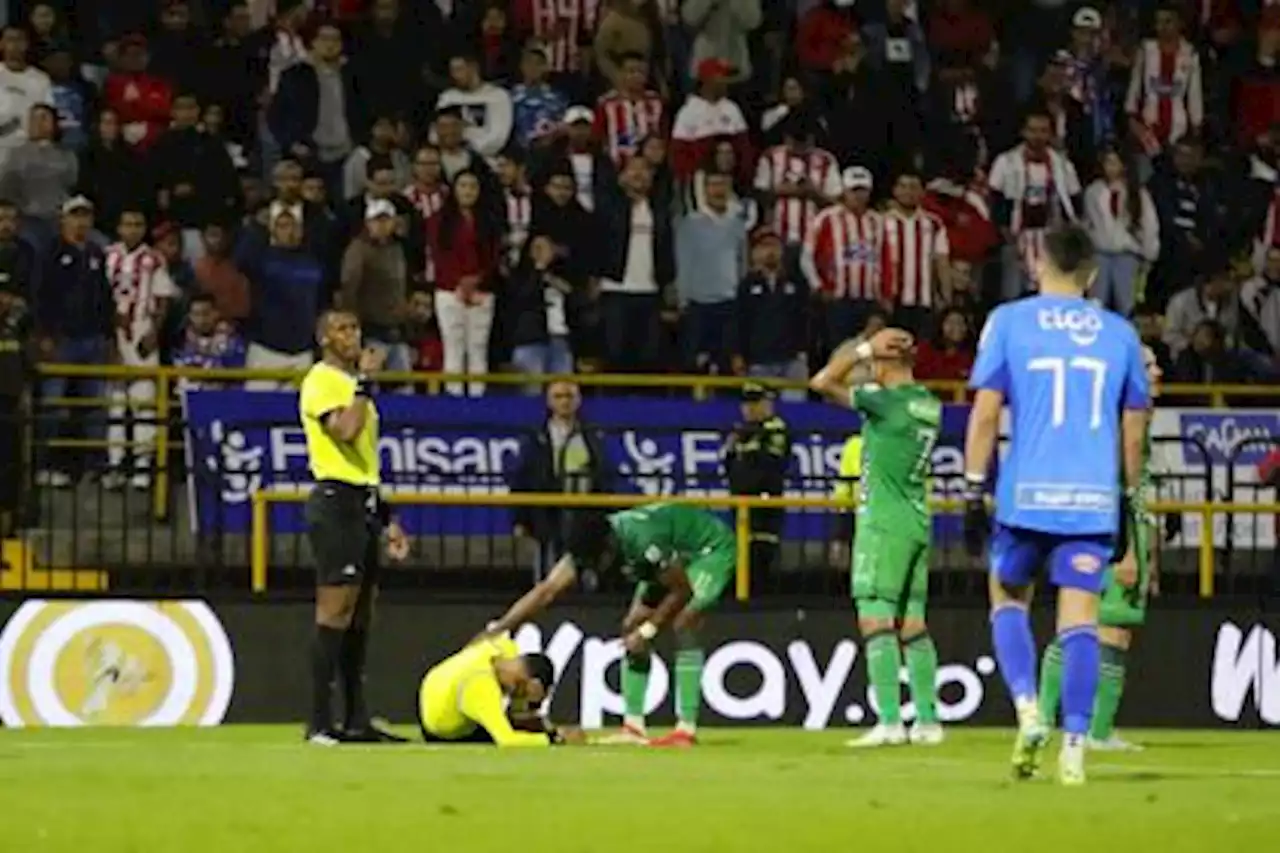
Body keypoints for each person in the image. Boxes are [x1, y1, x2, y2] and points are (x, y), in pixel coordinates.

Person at [962, 223, 1151, 786]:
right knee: (1081, 623)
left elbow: (986, 414)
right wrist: (1125, 497)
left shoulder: (1009, 322)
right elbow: (1135, 429)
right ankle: (1074, 749)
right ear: (1093, 273)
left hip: (1026, 498)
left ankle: (1026, 708)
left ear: (1037, 264)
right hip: (1091, 500)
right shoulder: (1120, 334)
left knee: (1008, 598)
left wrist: (974, 486)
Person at [484, 503, 739, 747]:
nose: (592, 569)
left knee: (685, 620)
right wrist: (499, 628)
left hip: (708, 549)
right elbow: (546, 591)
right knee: (631, 626)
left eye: (595, 562)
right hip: (669, 558)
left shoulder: (641, 542)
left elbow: (682, 590)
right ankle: (633, 727)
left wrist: (648, 631)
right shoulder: (589, 543)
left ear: (608, 547)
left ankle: (686, 729)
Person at [810, 328, 944, 748]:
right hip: (918, 520)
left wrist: (863, 349)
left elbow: (821, 383)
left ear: (884, 361)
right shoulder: (928, 403)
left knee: (875, 617)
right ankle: (928, 721)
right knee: (915, 623)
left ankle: (889, 722)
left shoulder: (884, 403)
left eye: (871, 361)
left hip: (883, 523)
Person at [1040, 346, 1163, 751]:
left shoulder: (1130, 420)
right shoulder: (1120, 425)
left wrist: (1150, 555)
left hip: (1120, 536)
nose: (1158, 371)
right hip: (1112, 538)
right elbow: (1116, 491)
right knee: (1108, 632)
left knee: (1086, 628)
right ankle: (1095, 732)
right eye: (1148, 366)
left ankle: (1043, 721)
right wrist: (1127, 551)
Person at [299, 310, 410, 745]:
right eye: (343, 329)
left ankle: (357, 719)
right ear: (324, 337)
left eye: (356, 327)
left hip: (362, 501)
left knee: (361, 615)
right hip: (335, 502)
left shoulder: (350, 387)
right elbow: (345, 432)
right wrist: (364, 383)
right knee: (334, 611)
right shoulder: (321, 381)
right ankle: (319, 722)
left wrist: (388, 518)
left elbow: (366, 463)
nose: (354, 335)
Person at [103, 208, 177, 491]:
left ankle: (144, 466)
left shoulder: (154, 258)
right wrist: (110, 339)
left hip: (143, 333)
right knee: (117, 403)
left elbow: (162, 300)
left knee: (144, 401)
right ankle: (115, 463)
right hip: (115, 336)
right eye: (128, 224)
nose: (133, 229)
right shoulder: (106, 255)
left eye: (138, 224)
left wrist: (154, 333)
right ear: (119, 227)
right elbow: (99, 299)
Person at [509, 380, 612, 579]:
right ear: (548, 402)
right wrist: (520, 518)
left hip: (585, 512)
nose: (564, 401)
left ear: (579, 400)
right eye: (558, 396)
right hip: (549, 511)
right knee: (548, 574)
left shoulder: (591, 433)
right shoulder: (537, 436)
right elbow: (523, 476)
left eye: (569, 396)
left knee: (584, 570)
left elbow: (603, 472)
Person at [417, 632, 582, 746]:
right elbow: (507, 740)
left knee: (520, 721)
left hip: (435, 687)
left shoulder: (503, 648)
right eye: (529, 701)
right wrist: (555, 738)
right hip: (441, 730)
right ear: (531, 684)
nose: (525, 705)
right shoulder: (482, 687)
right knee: (508, 731)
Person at [425, 170, 502, 396]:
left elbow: (494, 256)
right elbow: (439, 255)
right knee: (453, 347)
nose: (468, 191)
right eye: (463, 186)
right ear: (454, 190)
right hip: (449, 292)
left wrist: (476, 280)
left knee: (477, 348)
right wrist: (459, 284)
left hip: (483, 292)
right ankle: (454, 398)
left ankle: (478, 398)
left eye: (473, 187)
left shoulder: (490, 220)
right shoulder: (438, 220)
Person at [723, 383, 790, 583]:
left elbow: (771, 464)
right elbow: (730, 462)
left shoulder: (775, 429)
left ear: (767, 404)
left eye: (755, 403)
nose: (748, 408)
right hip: (741, 498)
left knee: (762, 548)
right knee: (743, 548)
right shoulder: (740, 430)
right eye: (746, 403)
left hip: (763, 500)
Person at [1083, 147, 1159, 317]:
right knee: (1096, 304)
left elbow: (1149, 224)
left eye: (1114, 163)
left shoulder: (1137, 193)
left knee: (1126, 304)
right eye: (1107, 163)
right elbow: (1088, 224)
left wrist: (1150, 254)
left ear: (1124, 166)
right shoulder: (1093, 191)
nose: (1110, 167)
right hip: (1100, 253)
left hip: (1127, 254)